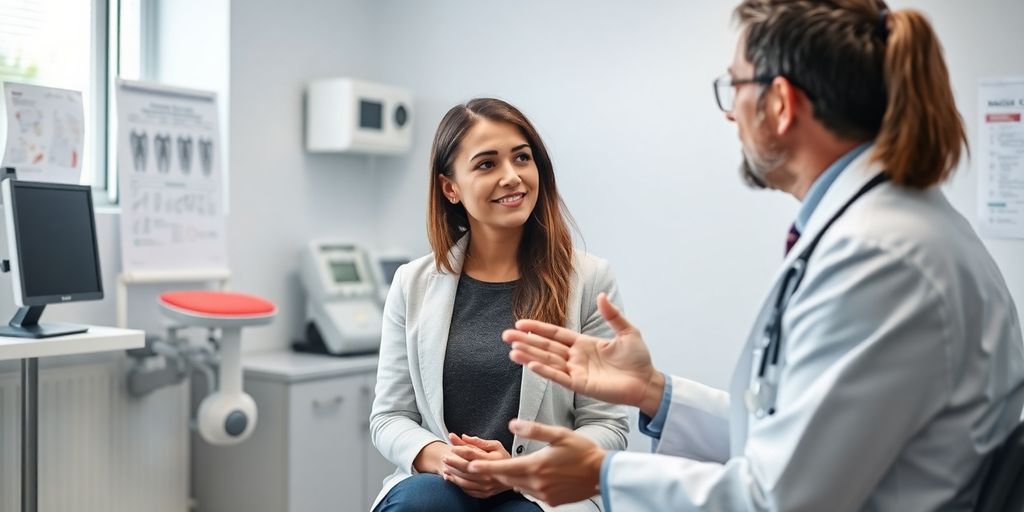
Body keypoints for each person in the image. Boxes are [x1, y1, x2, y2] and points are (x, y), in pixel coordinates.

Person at [466, 1, 1024, 510]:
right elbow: (795, 448)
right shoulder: (883, 230)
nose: (731, 114)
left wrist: (605, 476)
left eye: (734, 87)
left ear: (780, 104)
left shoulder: (881, 259)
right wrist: (654, 392)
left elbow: (778, 500)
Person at [369, 98, 629, 512]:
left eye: (522, 158)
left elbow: (607, 427)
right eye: (487, 164)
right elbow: (389, 418)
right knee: (420, 505)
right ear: (450, 188)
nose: (512, 177)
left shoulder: (591, 280)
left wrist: (516, 468)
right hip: (443, 483)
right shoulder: (411, 284)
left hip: (541, 492)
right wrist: (447, 459)